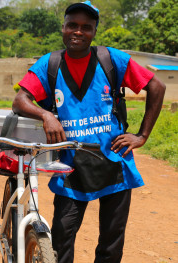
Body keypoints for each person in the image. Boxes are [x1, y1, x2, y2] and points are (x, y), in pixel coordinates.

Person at [12, 1, 166, 262]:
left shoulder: (111, 59)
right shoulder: (49, 64)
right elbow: (20, 100)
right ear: (63, 28)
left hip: (113, 162)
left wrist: (141, 136)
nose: (78, 32)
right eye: (72, 25)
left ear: (94, 31)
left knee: (111, 242)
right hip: (71, 166)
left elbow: (157, 86)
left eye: (86, 27)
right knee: (61, 238)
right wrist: (46, 115)